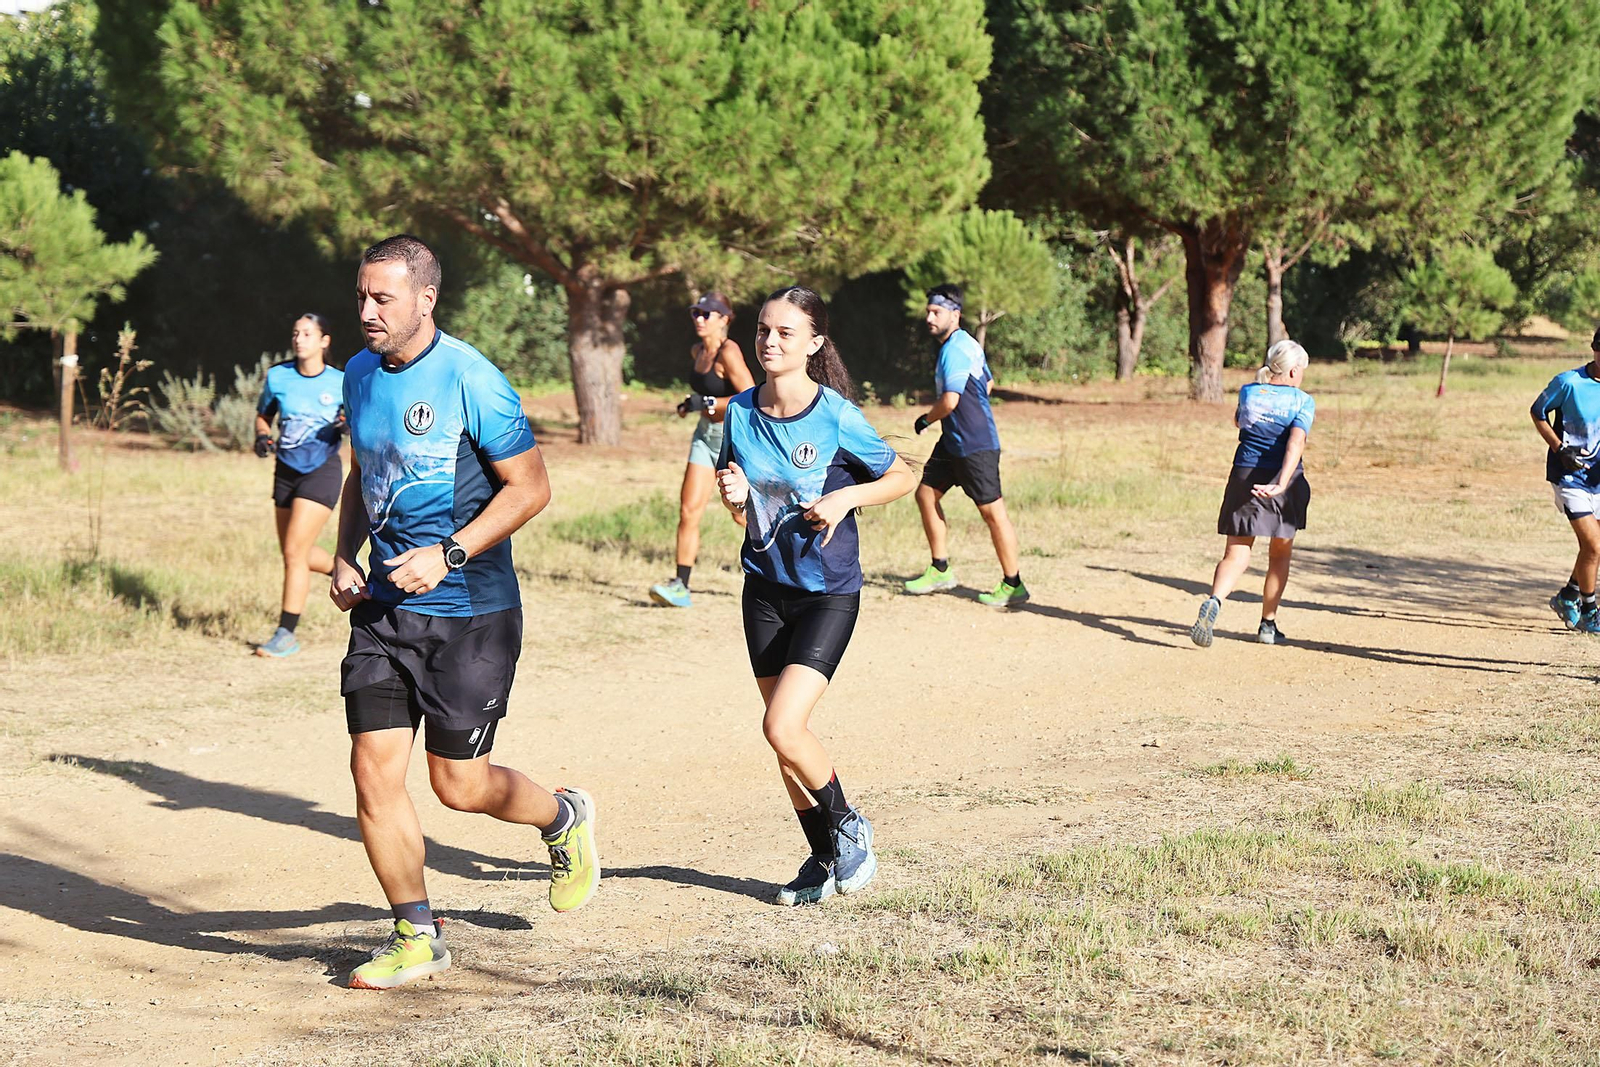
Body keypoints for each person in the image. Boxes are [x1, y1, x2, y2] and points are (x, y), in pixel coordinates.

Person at [329, 235, 598, 990]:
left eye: (382, 297)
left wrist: (447, 553)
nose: (367, 311)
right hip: (383, 610)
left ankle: (561, 817)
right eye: (360, 295)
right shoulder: (356, 373)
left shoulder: (472, 377)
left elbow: (531, 488)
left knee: (459, 784)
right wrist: (347, 552)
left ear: (425, 298)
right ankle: (416, 931)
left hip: (469, 610)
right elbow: (363, 475)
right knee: (372, 771)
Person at [715, 285, 917, 906]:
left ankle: (848, 823)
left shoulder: (835, 415)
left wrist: (844, 498)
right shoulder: (740, 413)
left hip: (827, 593)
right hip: (764, 590)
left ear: (814, 344)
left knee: (782, 724)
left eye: (784, 333)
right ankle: (823, 857)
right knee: (785, 742)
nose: (769, 342)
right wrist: (736, 501)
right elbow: (746, 506)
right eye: (763, 331)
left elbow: (904, 475)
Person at [902, 284, 1028, 609]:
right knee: (926, 495)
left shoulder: (955, 349)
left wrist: (925, 420)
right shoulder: (964, 344)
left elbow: (950, 401)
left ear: (954, 315)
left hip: (975, 444)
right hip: (953, 442)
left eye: (936, 312)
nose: (929, 317)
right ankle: (940, 569)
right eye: (928, 311)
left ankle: (1013, 584)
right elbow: (988, 381)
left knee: (992, 513)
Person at [1190, 339, 1315, 648]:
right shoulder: (1302, 400)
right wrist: (1282, 483)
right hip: (1281, 478)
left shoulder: (1248, 392)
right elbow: (1295, 444)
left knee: (1236, 553)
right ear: (1293, 371)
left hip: (1243, 475)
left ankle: (1215, 600)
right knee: (1279, 553)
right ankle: (1267, 625)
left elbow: (1239, 422)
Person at [648, 293, 755, 607]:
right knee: (688, 510)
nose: (700, 318)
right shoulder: (697, 350)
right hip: (703, 437)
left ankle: (783, 561)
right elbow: (705, 393)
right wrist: (690, 404)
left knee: (739, 516)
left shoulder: (729, 351)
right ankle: (681, 586)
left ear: (724, 319)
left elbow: (750, 397)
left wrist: (707, 403)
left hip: (731, 439)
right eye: (696, 312)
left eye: (708, 314)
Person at [252, 314, 345, 658]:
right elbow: (264, 415)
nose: (299, 338)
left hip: (322, 470)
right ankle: (345, 569)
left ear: (324, 340)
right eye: (295, 333)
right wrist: (262, 436)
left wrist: (348, 422)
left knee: (294, 552)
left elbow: (358, 418)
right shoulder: (279, 377)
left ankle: (286, 634)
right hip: (285, 471)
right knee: (295, 554)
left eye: (308, 333)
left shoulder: (340, 381)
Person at [1531, 327, 1600, 633]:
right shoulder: (1569, 382)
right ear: (1594, 348)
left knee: (1595, 546)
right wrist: (1559, 448)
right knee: (1594, 545)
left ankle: (1568, 595)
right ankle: (1589, 610)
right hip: (1570, 475)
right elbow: (1538, 411)